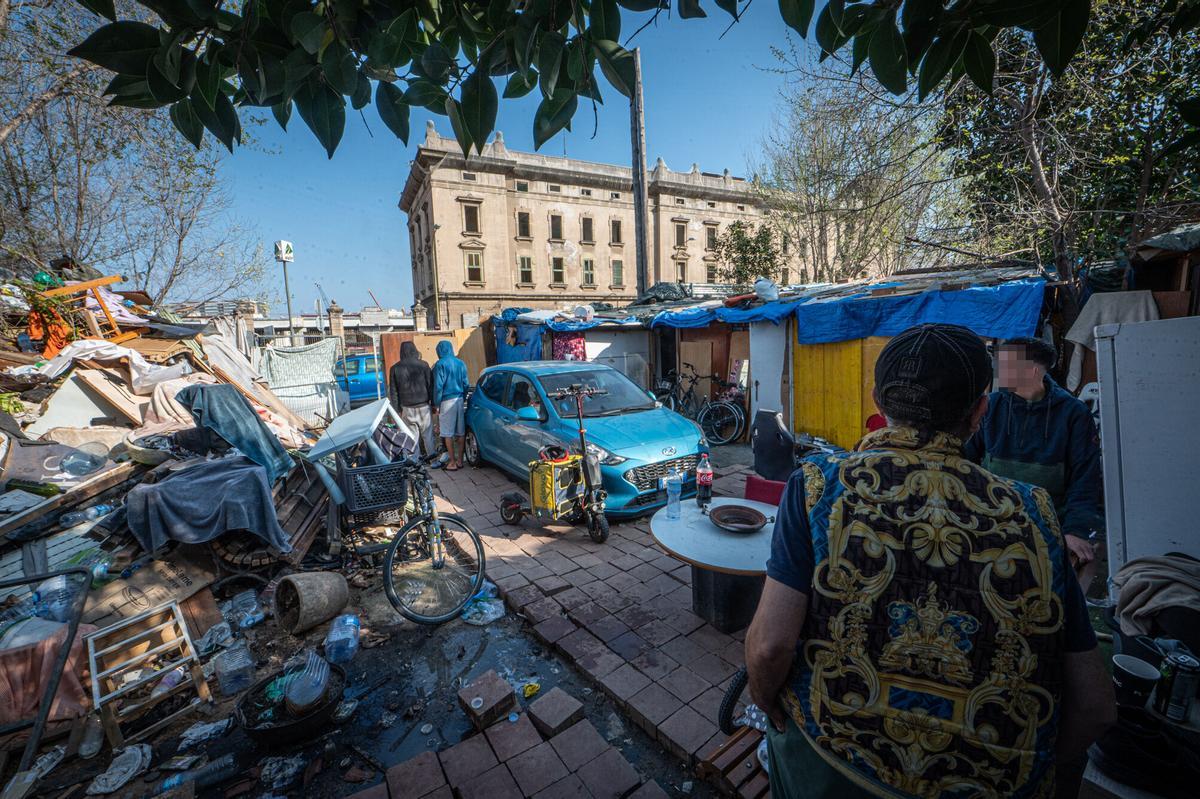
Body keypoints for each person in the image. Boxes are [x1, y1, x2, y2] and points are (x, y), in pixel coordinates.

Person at [746, 323, 1114, 799]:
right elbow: (1097, 710)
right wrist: (1029, 768)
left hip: (831, 767)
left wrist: (764, 700)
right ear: (980, 411)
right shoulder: (1035, 515)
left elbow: (769, 647)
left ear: (878, 401)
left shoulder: (820, 487)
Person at [963, 336, 1103, 585]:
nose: (998, 370)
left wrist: (1075, 531)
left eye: (1005, 364)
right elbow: (965, 459)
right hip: (993, 521)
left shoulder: (1073, 414)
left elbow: (1085, 479)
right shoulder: (991, 406)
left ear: (1032, 370)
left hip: (1049, 525)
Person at [388, 341, 435, 457]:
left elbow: (393, 392)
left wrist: (397, 409)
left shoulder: (394, 368)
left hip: (407, 408)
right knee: (428, 434)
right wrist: (433, 403)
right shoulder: (424, 365)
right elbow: (431, 386)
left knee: (411, 435)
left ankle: (415, 460)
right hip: (424, 406)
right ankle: (432, 459)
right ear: (415, 350)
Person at [432, 339, 469, 471]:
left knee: (447, 433)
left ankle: (452, 462)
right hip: (459, 399)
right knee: (461, 432)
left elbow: (438, 386)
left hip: (446, 401)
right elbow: (466, 384)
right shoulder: (461, 363)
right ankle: (460, 461)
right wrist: (463, 397)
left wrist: (436, 404)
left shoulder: (439, 364)